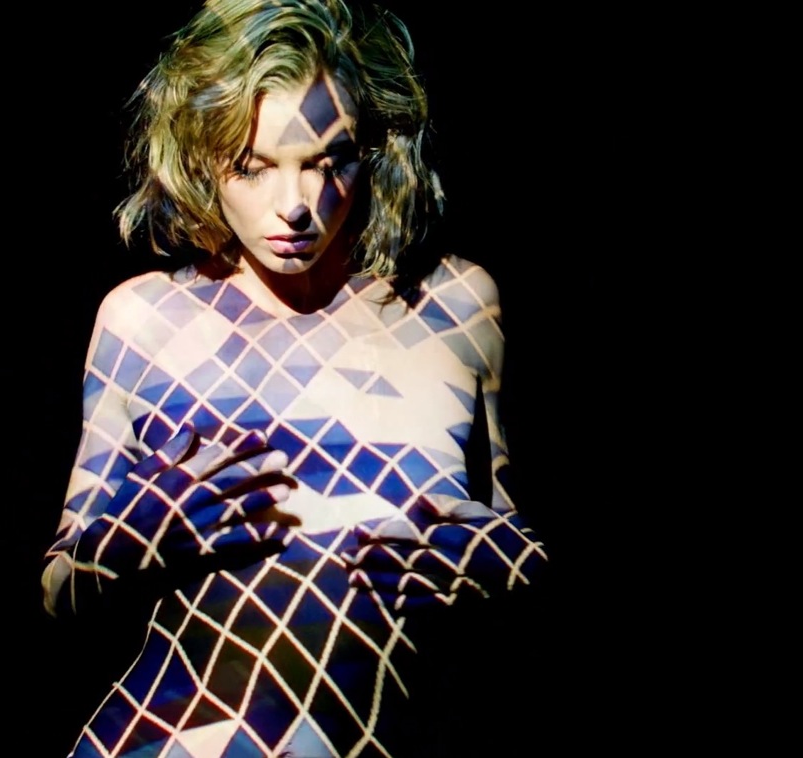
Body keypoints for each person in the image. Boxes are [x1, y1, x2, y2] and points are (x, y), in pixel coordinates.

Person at [41, 1, 548, 755]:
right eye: (251, 167)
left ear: (372, 149)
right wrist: (130, 539)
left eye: (326, 161)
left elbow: (517, 541)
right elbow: (56, 589)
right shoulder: (143, 320)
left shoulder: (454, 308)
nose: (295, 207)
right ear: (198, 154)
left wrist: (509, 572)